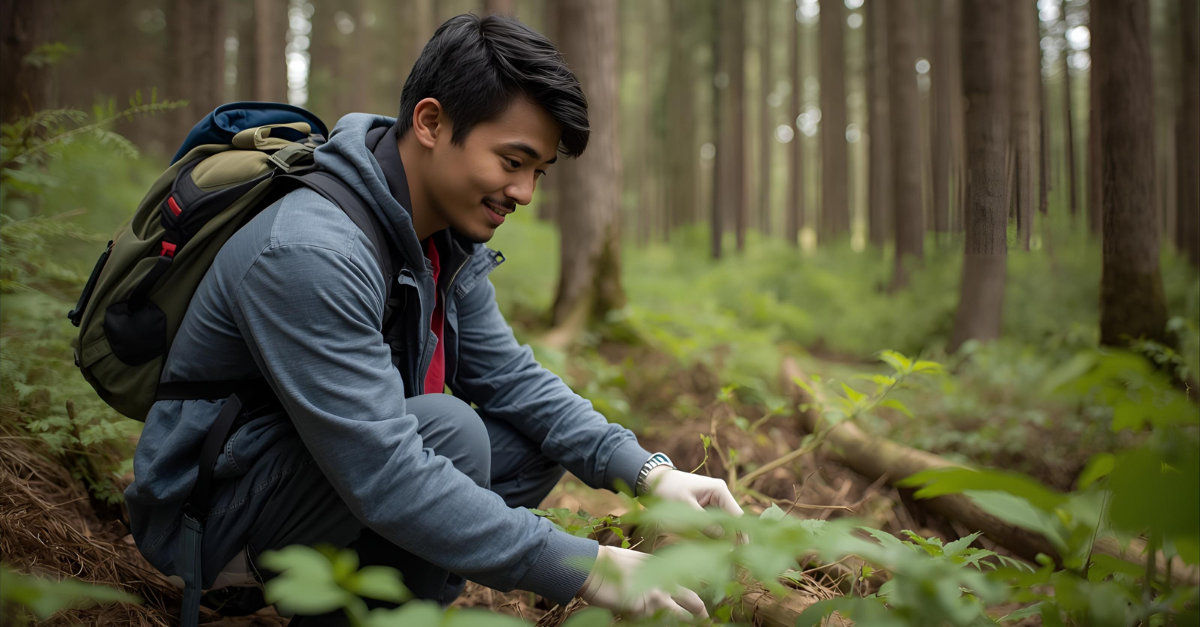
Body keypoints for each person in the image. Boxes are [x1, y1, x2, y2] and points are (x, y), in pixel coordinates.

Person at [124, 13, 742, 625]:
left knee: (534, 441)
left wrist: (646, 471)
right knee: (448, 432)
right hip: (207, 516)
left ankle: (371, 607)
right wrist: (584, 566)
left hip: (313, 479)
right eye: (512, 161)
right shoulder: (311, 251)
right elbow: (385, 471)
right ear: (430, 121)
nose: (525, 193)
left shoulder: (439, 240)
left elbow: (512, 380)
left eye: (538, 173)